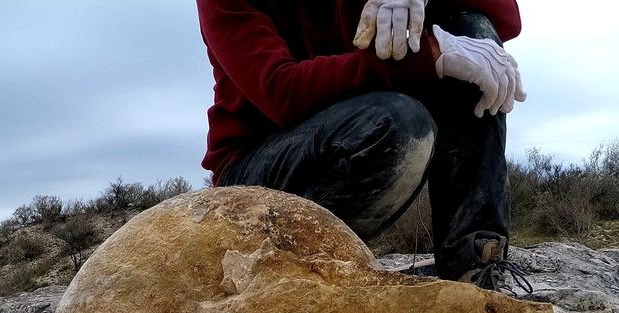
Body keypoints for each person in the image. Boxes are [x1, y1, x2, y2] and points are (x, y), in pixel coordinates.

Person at [196, 0, 529, 294]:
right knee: (399, 124)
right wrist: (433, 55)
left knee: (471, 29)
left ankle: (475, 272)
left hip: (356, 133)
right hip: (252, 171)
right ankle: (285, 271)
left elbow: (507, 15)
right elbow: (280, 90)